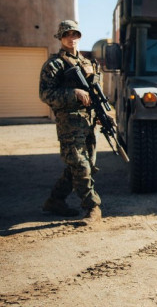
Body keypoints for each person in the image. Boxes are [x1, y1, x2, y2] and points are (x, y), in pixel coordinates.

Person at [39, 20, 103, 225]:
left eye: (75, 34)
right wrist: (73, 93)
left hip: (88, 122)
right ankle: (92, 207)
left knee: (83, 166)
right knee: (80, 164)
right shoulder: (53, 65)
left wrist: (102, 114)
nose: (72, 38)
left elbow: (97, 94)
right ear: (60, 37)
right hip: (69, 123)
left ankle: (55, 201)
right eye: (67, 34)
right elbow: (45, 94)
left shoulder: (89, 63)